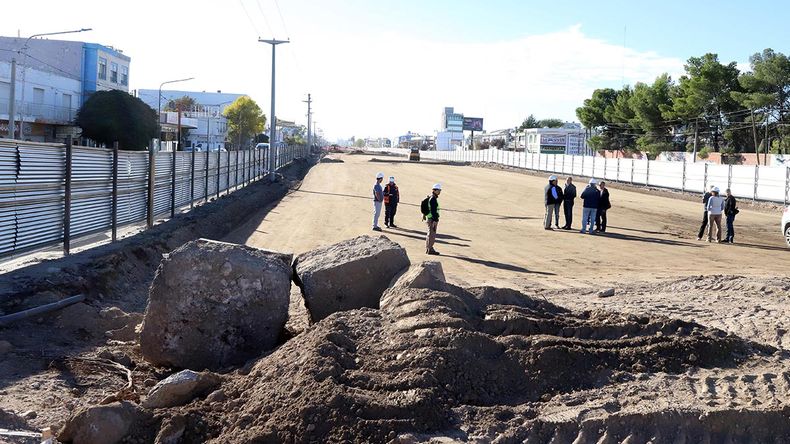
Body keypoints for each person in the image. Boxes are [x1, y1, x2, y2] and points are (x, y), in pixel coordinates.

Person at [424, 183, 441, 255]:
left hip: (430, 218)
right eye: (439, 190)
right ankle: (430, 249)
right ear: (434, 190)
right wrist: (435, 220)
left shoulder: (431, 197)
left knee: (430, 234)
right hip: (432, 219)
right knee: (432, 234)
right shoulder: (433, 199)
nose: (440, 191)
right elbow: (434, 211)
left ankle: (428, 248)